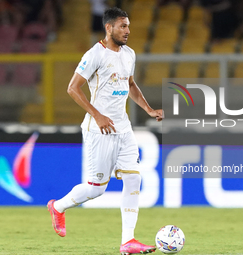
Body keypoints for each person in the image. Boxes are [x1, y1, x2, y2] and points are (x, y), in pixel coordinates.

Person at [47, 7, 164, 255]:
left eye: (128, 26)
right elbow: (72, 88)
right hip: (98, 130)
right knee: (96, 189)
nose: (128, 31)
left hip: (123, 128)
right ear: (108, 27)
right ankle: (58, 207)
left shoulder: (129, 54)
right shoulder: (95, 54)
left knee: (134, 178)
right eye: (123, 26)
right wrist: (97, 114)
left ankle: (128, 241)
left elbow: (130, 84)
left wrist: (148, 109)